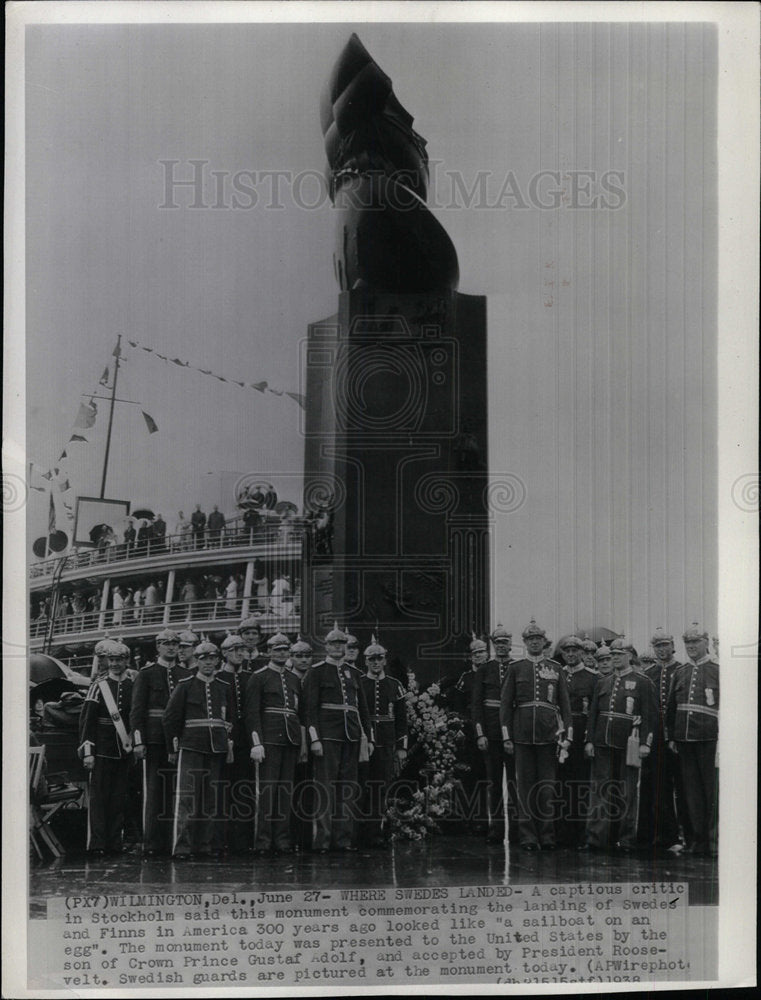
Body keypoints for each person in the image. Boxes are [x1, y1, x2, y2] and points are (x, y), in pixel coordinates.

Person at [500, 619, 572, 851]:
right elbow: (505, 705)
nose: (534, 642)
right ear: (525, 642)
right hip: (522, 736)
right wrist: (506, 736)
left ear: (544, 642)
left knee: (547, 789)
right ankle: (529, 837)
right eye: (530, 639)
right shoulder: (516, 668)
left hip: (549, 736)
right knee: (525, 788)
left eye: (538, 639)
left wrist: (567, 736)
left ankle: (548, 836)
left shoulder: (556, 668)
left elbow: (565, 706)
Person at [302, 623, 374, 854]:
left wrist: (368, 738)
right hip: (328, 737)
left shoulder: (354, 674)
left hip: (351, 736)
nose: (337, 647)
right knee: (325, 788)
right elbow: (310, 709)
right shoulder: (317, 671)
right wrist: (314, 739)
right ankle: (322, 840)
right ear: (326, 646)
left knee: (348, 790)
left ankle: (343, 840)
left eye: (341, 644)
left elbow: (362, 709)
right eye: (333, 643)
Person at [580, 638, 657, 853]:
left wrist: (645, 743)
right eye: (612, 654)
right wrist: (589, 740)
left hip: (629, 742)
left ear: (630, 656)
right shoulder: (602, 682)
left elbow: (650, 716)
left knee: (628, 792)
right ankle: (597, 838)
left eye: (619, 654)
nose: (615, 658)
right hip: (603, 741)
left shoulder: (642, 682)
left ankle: (626, 839)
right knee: (600, 791)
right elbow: (593, 714)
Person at [163, 642, 234, 860]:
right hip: (191, 746)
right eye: (204, 659)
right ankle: (182, 847)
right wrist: (173, 748)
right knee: (187, 799)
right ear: (197, 660)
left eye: (212, 659)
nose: (209, 663)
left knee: (211, 799)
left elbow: (229, 718)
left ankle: (205, 845)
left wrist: (228, 742)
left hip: (217, 747)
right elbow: (170, 719)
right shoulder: (185, 685)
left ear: (217, 661)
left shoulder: (223, 686)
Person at [129, 629, 190, 857]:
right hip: (154, 739)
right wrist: (138, 741)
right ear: (158, 647)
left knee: (177, 792)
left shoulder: (185, 673)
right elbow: (137, 711)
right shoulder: (146, 674)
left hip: (181, 739)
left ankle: (171, 840)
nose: (172, 647)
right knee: (154, 792)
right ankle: (152, 843)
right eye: (166, 644)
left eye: (175, 644)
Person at [245, 633, 306, 856]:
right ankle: (262, 841)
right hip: (268, 741)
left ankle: (281, 839)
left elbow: (300, 712)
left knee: (285, 792)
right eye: (277, 649)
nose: (281, 653)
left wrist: (302, 744)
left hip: (290, 740)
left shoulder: (293, 679)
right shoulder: (259, 677)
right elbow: (252, 713)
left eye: (285, 650)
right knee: (267, 792)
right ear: (269, 652)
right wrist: (256, 742)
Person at [665, 623, 719, 857]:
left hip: (710, 739)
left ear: (706, 643)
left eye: (696, 642)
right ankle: (697, 842)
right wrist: (671, 736)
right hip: (684, 739)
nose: (692, 647)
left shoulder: (718, 670)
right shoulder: (681, 672)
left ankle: (715, 842)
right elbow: (671, 707)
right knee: (692, 793)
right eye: (688, 643)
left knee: (712, 793)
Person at [78, 639, 134, 856]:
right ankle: (97, 844)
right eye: (112, 660)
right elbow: (87, 722)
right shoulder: (98, 686)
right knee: (99, 799)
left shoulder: (133, 685)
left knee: (119, 798)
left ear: (126, 661)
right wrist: (88, 752)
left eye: (119, 660)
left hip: (123, 750)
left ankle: (114, 843)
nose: (115, 664)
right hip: (101, 749)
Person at [358, 636, 407, 847]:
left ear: (385, 661)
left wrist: (401, 748)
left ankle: (377, 833)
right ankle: (359, 833)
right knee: (361, 787)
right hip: (364, 744)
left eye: (379, 659)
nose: (376, 663)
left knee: (380, 788)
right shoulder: (360, 683)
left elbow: (402, 719)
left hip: (386, 743)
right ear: (366, 661)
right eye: (371, 659)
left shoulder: (394, 685)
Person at [640, 627, 686, 852]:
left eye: (665, 645)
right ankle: (654, 835)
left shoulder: (682, 670)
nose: (661, 650)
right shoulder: (649, 674)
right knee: (654, 785)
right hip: (654, 736)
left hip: (676, 736)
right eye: (657, 646)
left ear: (672, 646)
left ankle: (678, 836)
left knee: (679, 785)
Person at [472, 624, 518, 845]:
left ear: (510, 644)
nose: (501, 647)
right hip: (490, 733)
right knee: (493, 783)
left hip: (513, 734)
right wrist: (480, 734)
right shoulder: (484, 669)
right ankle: (496, 828)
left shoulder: (518, 667)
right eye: (497, 643)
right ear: (493, 645)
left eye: (505, 642)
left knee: (514, 782)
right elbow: (476, 705)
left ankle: (517, 829)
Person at [556, 634, 598, 848]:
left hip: (581, 733)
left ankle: (580, 833)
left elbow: (594, 712)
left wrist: (590, 739)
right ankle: (560, 833)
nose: (571, 655)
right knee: (559, 783)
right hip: (560, 733)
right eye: (566, 651)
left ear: (582, 652)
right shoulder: (557, 674)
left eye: (575, 651)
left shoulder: (593, 677)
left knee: (580, 783)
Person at [449, 635, 490, 835]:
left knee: (487, 777)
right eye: (475, 653)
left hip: (490, 732)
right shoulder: (465, 679)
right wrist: (460, 726)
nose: (479, 656)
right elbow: (456, 706)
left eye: (482, 652)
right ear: (470, 657)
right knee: (469, 777)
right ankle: (470, 820)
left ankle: (486, 820)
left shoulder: (492, 675)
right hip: (469, 734)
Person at [218, 633, 254, 854]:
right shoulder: (218, 677)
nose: (240, 653)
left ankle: (243, 840)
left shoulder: (251, 677)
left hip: (246, 741)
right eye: (234, 650)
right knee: (223, 789)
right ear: (224, 653)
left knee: (245, 789)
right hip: (224, 741)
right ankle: (223, 839)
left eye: (243, 650)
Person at [288, 636, 314, 851]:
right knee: (293, 788)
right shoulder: (288, 679)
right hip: (293, 740)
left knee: (310, 789)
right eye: (298, 656)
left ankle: (307, 836)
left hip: (315, 740)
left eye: (307, 656)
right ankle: (293, 835)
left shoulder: (314, 678)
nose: (303, 660)